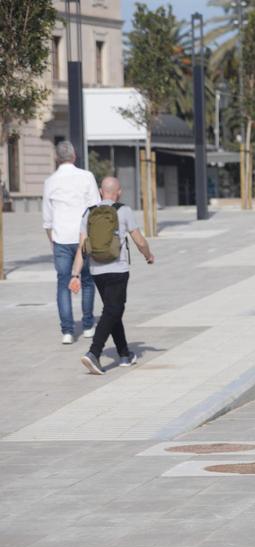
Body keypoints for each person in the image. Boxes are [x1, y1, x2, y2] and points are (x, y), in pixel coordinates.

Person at [68, 177, 154, 374]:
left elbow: (82, 247)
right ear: (119, 192)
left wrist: (75, 274)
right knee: (113, 310)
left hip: (97, 271)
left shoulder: (88, 213)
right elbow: (139, 240)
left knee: (112, 310)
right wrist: (148, 255)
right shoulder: (123, 210)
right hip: (118, 269)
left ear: (101, 191)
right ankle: (94, 353)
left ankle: (124, 354)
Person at [42, 141, 100, 345]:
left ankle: (67, 331)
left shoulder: (50, 182)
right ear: (74, 156)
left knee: (62, 283)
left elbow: (47, 219)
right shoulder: (87, 177)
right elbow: (95, 209)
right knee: (87, 280)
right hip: (83, 236)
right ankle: (88, 326)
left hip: (61, 238)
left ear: (56, 158)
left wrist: (53, 242)